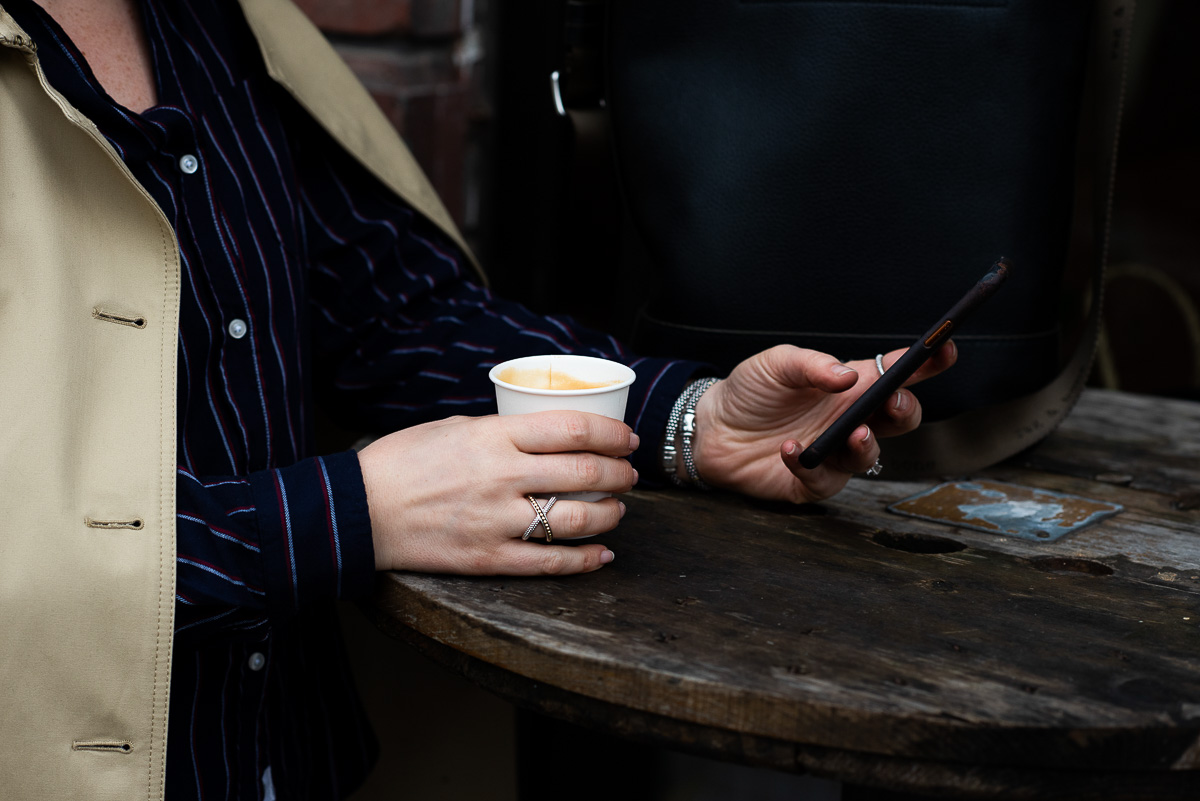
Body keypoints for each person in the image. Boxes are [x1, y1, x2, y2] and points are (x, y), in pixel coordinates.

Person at [0, 0, 955, 799]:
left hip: (297, 759)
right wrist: (351, 514)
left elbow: (384, 311)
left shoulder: (208, 17)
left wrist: (684, 420)